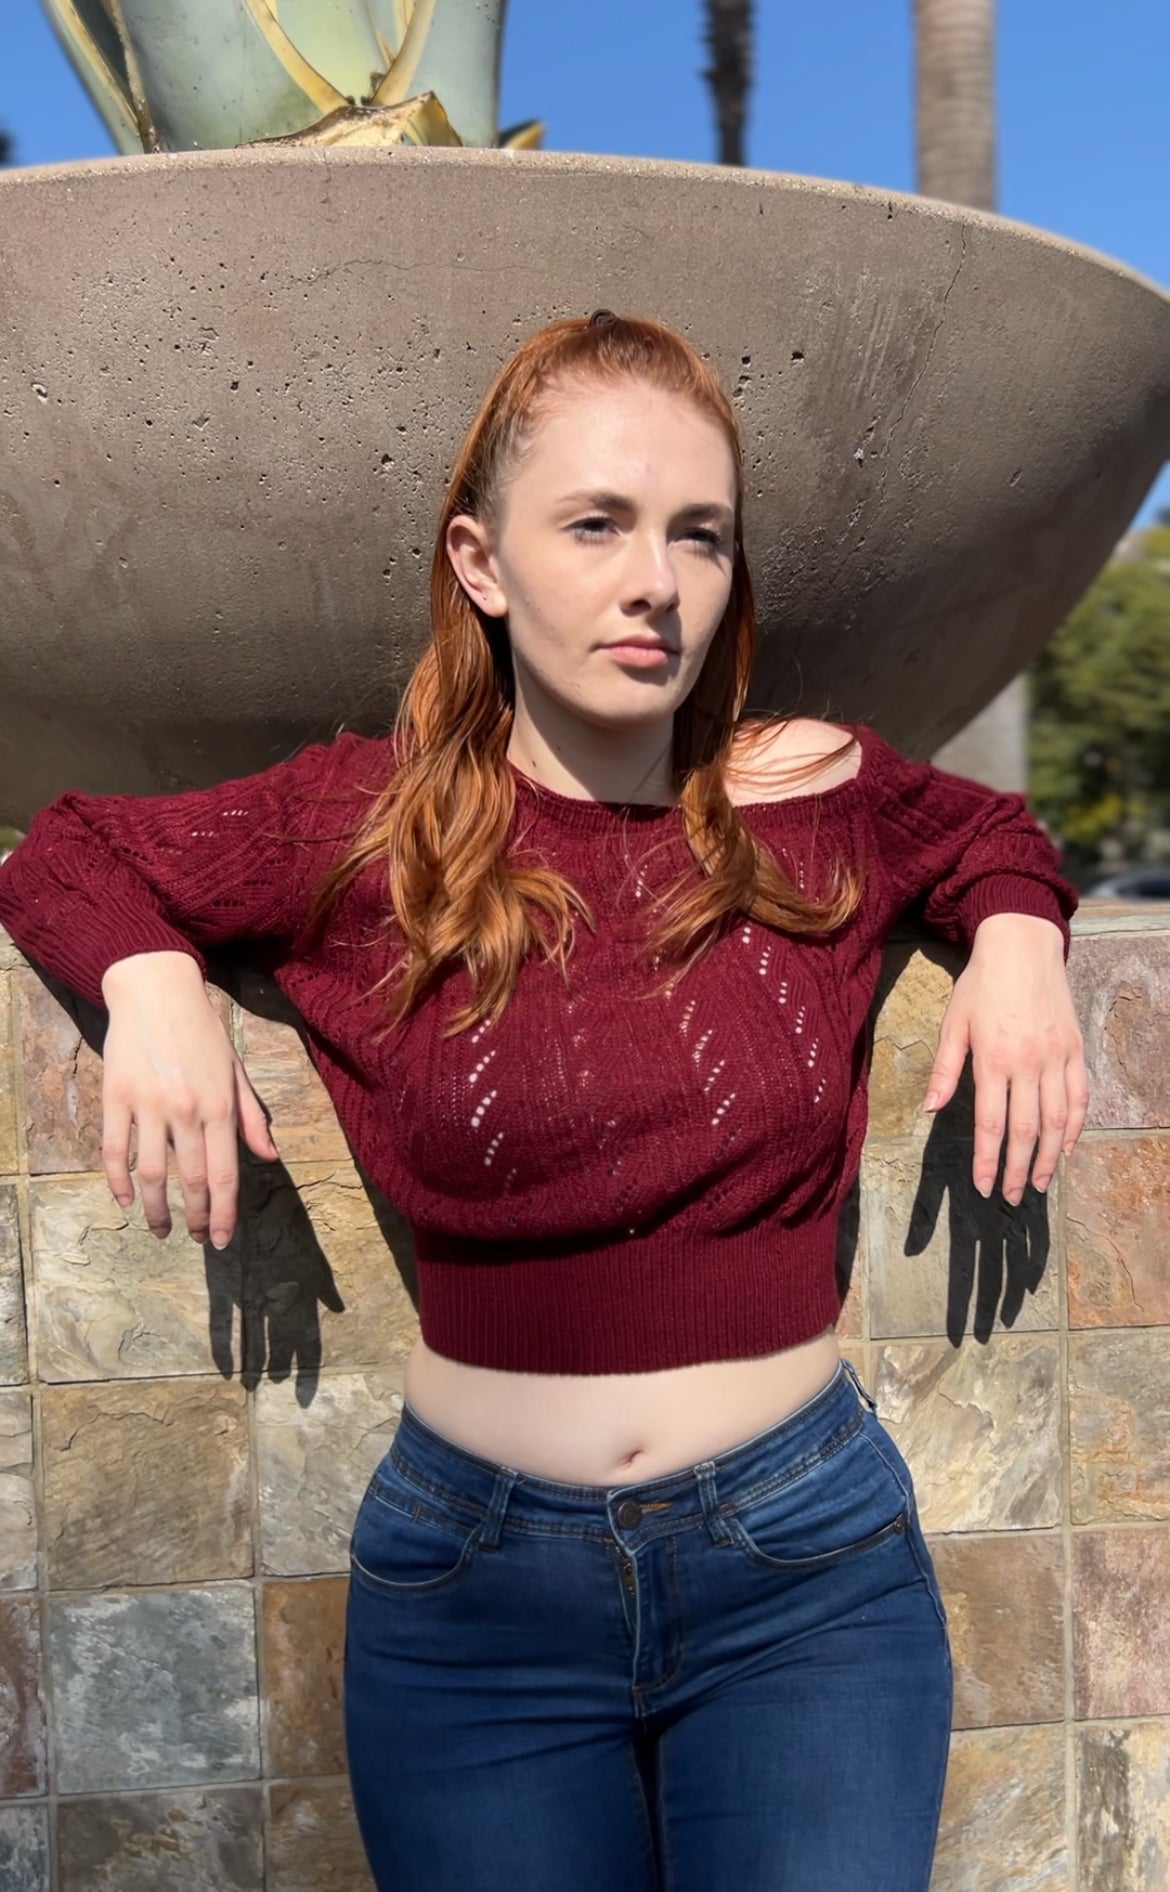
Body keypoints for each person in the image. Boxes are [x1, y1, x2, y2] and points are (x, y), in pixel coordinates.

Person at [0, 311, 1086, 1891]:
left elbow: (996, 831)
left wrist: (1015, 933)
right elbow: (69, 854)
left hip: (807, 1584)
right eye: (596, 523)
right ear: (483, 562)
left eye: (697, 535)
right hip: (470, 1604)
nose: (656, 580)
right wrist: (155, 986)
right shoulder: (362, 826)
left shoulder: (807, 791)